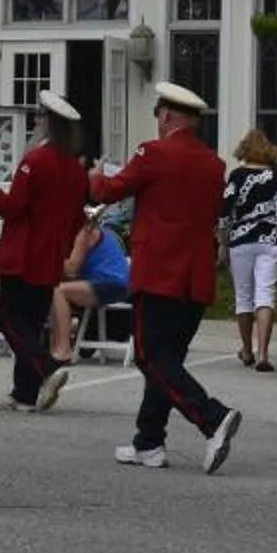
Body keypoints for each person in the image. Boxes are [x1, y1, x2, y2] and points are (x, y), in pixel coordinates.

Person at [94, 81, 242, 473]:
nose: (158, 120)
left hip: (159, 271)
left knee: (150, 356)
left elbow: (109, 191)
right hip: (194, 277)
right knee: (167, 360)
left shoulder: (153, 152)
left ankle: (212, 417)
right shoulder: (214, 164)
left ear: (167, 115)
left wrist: (94, 176)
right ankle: (149, 442)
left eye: (159, 113)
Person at [0, 89, 89, 411]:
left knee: (7, 316)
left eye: (39, 118)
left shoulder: (35, 160)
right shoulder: (76, 170)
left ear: (47, 122)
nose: (36, 123)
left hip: (23, 254)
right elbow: (76, 219)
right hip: (50, 257)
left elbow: (13, 208)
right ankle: (23, 394)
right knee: (30, 324)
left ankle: (46, 368)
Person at [219, 126, 277, 375]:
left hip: (241, 241)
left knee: (244, 296)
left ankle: (247, 349)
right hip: (269, 240)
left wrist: (222, 242)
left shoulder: (236, 176)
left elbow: (225, 213)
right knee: (265, 294)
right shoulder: (276, 177)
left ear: (244, 150)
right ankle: (263, 353)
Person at [47, 211, 132, 364]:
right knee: (53, 288)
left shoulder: (85, 233)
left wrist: (44, 259)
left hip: (113, 284)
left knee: (59, 291)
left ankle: (64, 349)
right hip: (101, 282)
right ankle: (54, 346)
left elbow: (71, 269)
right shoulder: (80, 232)